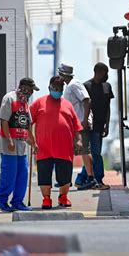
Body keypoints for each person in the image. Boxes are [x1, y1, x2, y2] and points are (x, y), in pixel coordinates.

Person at [30, 76, 84, 209]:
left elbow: (76, 126)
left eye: (59, 89)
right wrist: (31, 141)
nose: (56, 91)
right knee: (44, 175)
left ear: (62, 89)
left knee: (65, 175)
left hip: (64, 148)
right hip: (44, 147)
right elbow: (27, 121)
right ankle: (46, 199)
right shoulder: (39, 103)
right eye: (54, 88)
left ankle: (63, 197)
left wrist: (79, 141)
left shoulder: (68, 104)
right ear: (49, 87)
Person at [0, 78, 38, 212]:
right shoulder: (9, 98)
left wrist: (34, 143)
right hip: (9, 145)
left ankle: (18, 202)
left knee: (22, 175)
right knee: (9, 174)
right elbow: (4, 121)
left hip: (21, 145)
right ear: (24, 87)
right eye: (30, 90)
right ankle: (0, 200)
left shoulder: (25, 103)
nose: (31, 93)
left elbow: (28, 125)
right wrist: (10, 140)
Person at [58, 63, 99, 190]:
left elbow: (86, 100)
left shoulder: (74, 84)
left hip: (80, 123)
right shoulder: (69, 86)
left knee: (85, 150)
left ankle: (91, 178)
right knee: (72, 151)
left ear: (62, 74)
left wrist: (85, 120)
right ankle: (67, 179)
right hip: (74, 124)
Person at [75, 62, 113, 190]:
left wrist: (107, 125)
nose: (106, 75)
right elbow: (83, 106)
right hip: (87, 125)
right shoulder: (86, 86)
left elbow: (108, 108)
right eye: (105, 72)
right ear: (98, 72)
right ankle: (97, 180)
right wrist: (83, 121)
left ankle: (82, 179)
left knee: (95, 153)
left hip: (99, 126)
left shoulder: (107, 87)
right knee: (89, 153)